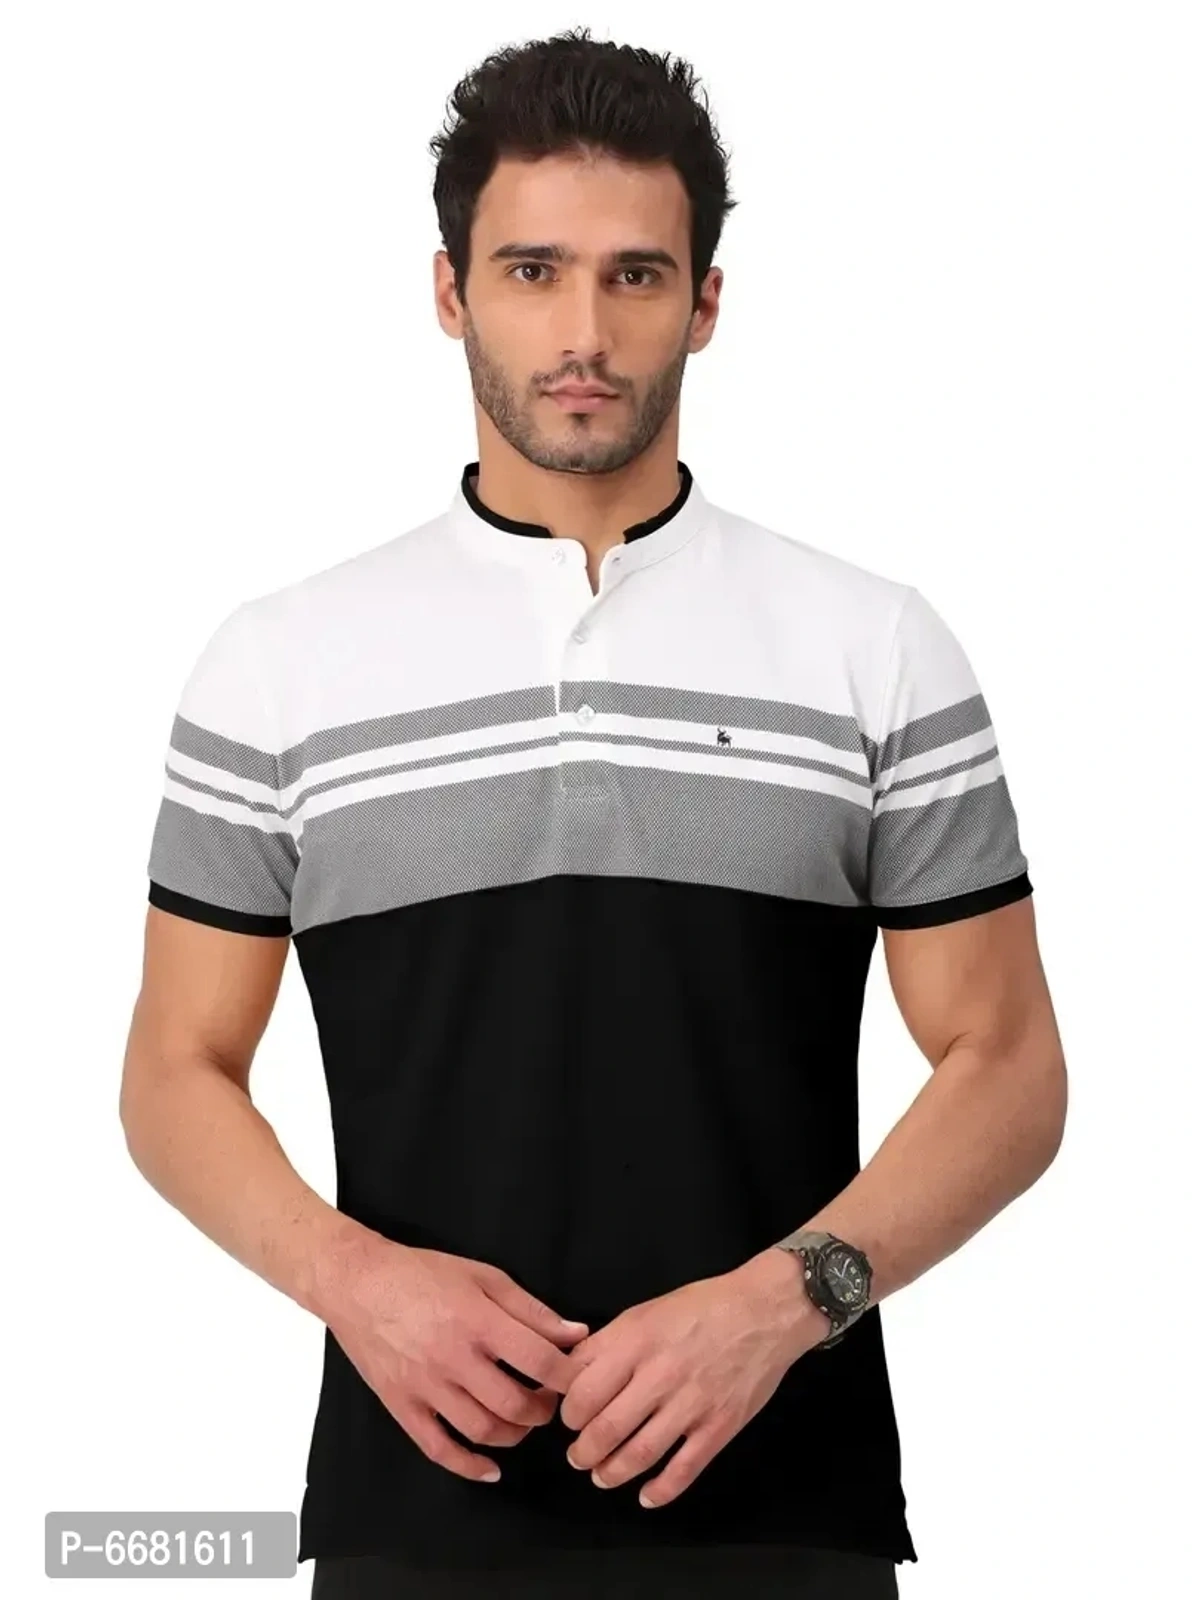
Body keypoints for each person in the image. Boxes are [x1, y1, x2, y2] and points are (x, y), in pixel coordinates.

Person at [119, 25, 1068, 1600]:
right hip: (412, 1517)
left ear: (705, 303)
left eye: (635, 276)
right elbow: (173, 1071)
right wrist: (354, 1283)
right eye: (531, 270)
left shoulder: (874, 645)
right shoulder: (278, 664)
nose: (583, 332)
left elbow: (1012, 1065)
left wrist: (785, 1303)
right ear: (450, 292)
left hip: (789, 1518)